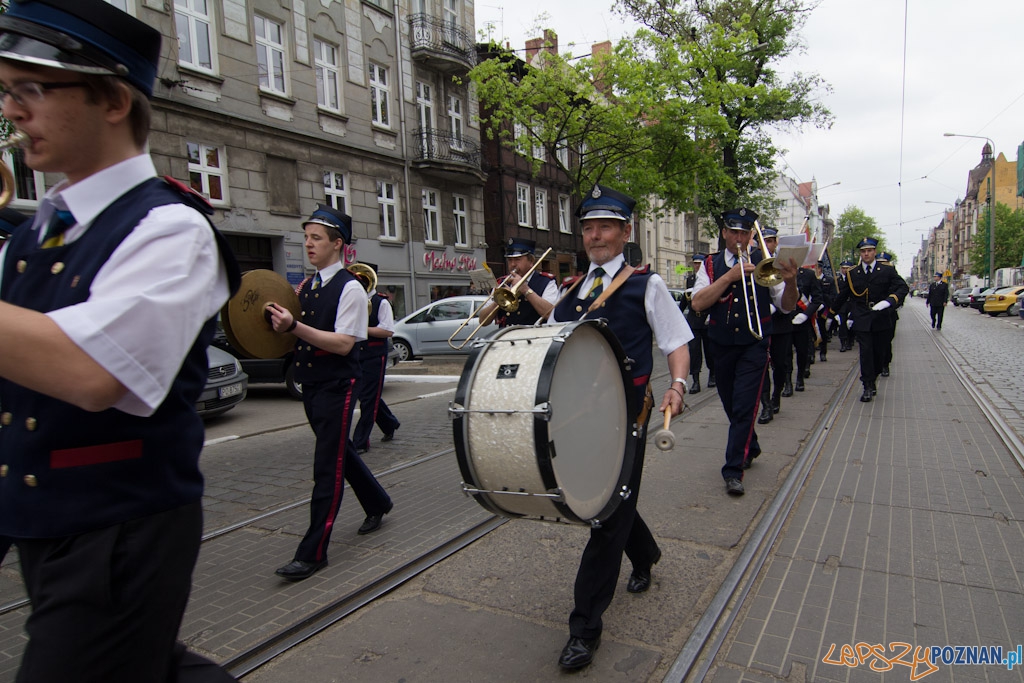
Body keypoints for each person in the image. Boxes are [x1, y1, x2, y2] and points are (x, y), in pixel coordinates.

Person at [0, 1, 240, 680]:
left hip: (121, 527)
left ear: (111, 98)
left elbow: (88, 370)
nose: (13, 111)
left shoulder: (173, 228)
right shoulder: (30, 234)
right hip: (38, 513)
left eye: (33, 90)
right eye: (7, 91)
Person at [548, 184, 692, 671]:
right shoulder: (571, 292)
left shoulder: (644, 285)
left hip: (628, 415)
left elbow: (676, 341)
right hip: (579, 419)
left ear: (625, 232)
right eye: (588, 227)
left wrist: (677, 383)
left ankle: (584, 628)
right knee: (618, 500)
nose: (595, 236)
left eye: (605, 226)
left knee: (605, 514)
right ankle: (646, 553)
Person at [266, 205, 393, 581]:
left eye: (316, 238)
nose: (308, 244)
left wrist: (294, 328)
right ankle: (378, 501)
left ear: (338, 245)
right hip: (314, 385)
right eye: (306, 237)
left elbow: (342, 344)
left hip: (338, 385)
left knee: (327, 467)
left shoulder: (351, 287)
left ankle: (313, 553)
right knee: (340, 453)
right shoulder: (307, 287)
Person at [691, 209, 799, 496]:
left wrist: (791, 281)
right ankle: (751, 443)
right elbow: (698, 303)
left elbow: (787, 307)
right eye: (734, 232)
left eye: (745, 233)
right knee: (729, 403)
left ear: (752, 235)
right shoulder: (711, 265)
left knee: (743, 407)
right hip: (721, 345)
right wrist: (729, 277)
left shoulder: (765, 264)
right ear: (725, 233)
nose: (739, 239)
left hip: (755, 344)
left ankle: (733, 470)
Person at [830, 238, 908, 403]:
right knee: (865, 353)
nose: (866, 254)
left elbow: (902, 287)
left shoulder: (886, 270)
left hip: (881, 317)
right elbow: (843, 295)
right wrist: (830, 314)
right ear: (860, 254)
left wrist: (889, 301)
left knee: (879, 353)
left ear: (874, 252)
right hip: (863, 317)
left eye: (869, 251)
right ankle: (867, 385)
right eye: (863, 251)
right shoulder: (852, 273)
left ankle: (875, 374)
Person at [351, 264, 401, 456]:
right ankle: (390, 423)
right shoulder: (354, 301)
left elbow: (388, 330)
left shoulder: (382, 302)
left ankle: (360, 441)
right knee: (367, 396)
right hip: (357, 354)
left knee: (368, 400)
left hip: (374, 355)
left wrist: (360, 328)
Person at [479, 237, 557, 327]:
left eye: (517, 259)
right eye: (510, 260)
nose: (513, 264)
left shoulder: (546, 282)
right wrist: (499, 300)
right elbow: (483, 321)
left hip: (537, 337)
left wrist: (525, 289)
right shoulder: (502, 283)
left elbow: (551, 314)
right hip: (507, 338)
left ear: (531, 260)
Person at [757, 227, 789, 424]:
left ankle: (777, 394)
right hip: (761, 322)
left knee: (781, 363)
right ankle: (766, 404)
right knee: (762, 365)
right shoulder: (753, 260)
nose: (766, 244)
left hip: (781, 323)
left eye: (770, 241)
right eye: (764, 240)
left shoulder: (783, 262)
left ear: (775, 243)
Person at [683, 252, 715, 394]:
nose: (696, 266)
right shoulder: (690, 279)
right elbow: (685, 299)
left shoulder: (709, 278)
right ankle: (695, 380)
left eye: (699, 263)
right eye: (695, 263)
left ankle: (712, 374)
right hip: (693, 321)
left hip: (707, 319)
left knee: (709, 350)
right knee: (694, 351)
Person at [791, 264, 824, 391]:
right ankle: (787, 381)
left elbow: (817, 298)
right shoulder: (778, 272)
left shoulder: (809, 275)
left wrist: (805, 315)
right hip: (785, 318)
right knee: (785, 354)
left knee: (802, 351)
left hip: (802, 319)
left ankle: (800, 378)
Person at [835, 259, 855, 352]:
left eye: (847, 268)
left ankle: (850, 342)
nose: (845, 270)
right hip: (842, 305)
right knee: (842, 324)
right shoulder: (837, 281)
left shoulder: (854, 280)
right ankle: (843, 343)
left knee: (851, 324)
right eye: (843, 268)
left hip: (851, 304)